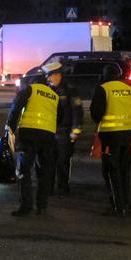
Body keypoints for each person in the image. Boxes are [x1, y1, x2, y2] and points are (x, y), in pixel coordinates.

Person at [6, 62, 63, 217]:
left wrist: (9, 127)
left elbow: (16, 108)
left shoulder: (30, 89)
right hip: (48, 137)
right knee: (44, 173)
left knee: (24, 171)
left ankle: (26, 207)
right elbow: (60, 118)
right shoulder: (55, 96)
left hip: (29, 136)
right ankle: (42, 206)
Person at [90, 64, 131, 217]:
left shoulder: (103, 88)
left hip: (110, 136)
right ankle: (125, 203)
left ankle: (118, 206)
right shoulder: (129, 89)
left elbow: (97, 114)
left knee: (111, 171)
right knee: (124, 170)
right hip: (127, 135)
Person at [48, 63, 83, 197]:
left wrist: (76, 130)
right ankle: (49, 188)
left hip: (65, 131)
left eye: (50, 76)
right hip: (50, 131)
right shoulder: (49, 89)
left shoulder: (70, 90)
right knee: (49, 161)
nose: (49, 79)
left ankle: (63, 188)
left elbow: (77, 111)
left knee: (63, 161)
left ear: (58, 75)